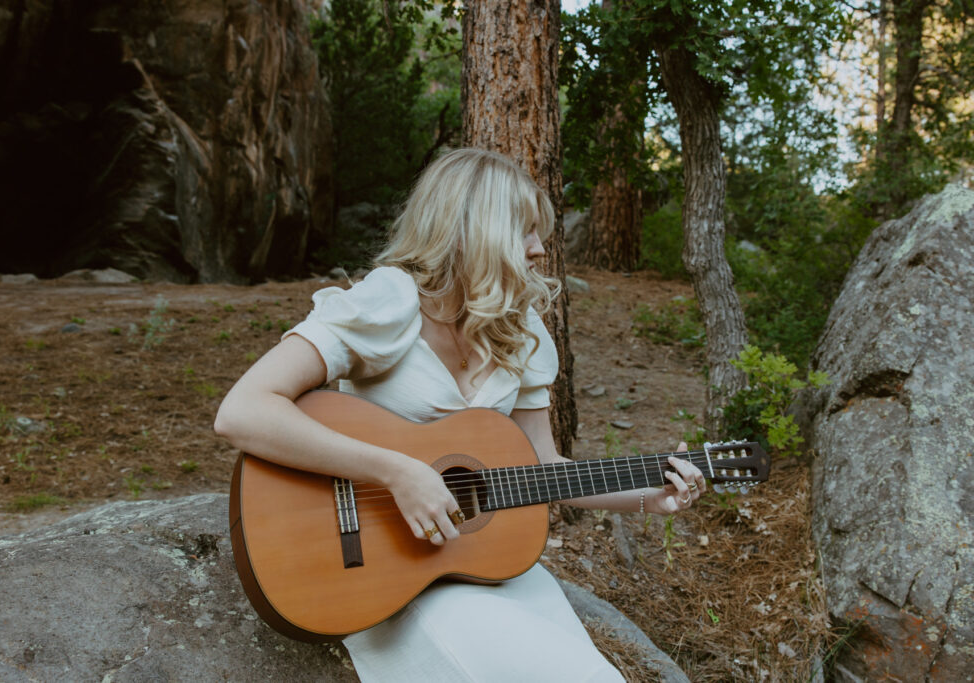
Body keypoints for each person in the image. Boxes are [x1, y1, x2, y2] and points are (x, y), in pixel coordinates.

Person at [214, 148, 705, 681]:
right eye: (524, 231)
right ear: (472, 230)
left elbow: (544, 463)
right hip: (382, 568)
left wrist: (647, 497)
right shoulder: (390, 302)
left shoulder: (522, 332)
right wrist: (396, 471)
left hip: (478, 567)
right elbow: (242, 412)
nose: (540, 251)